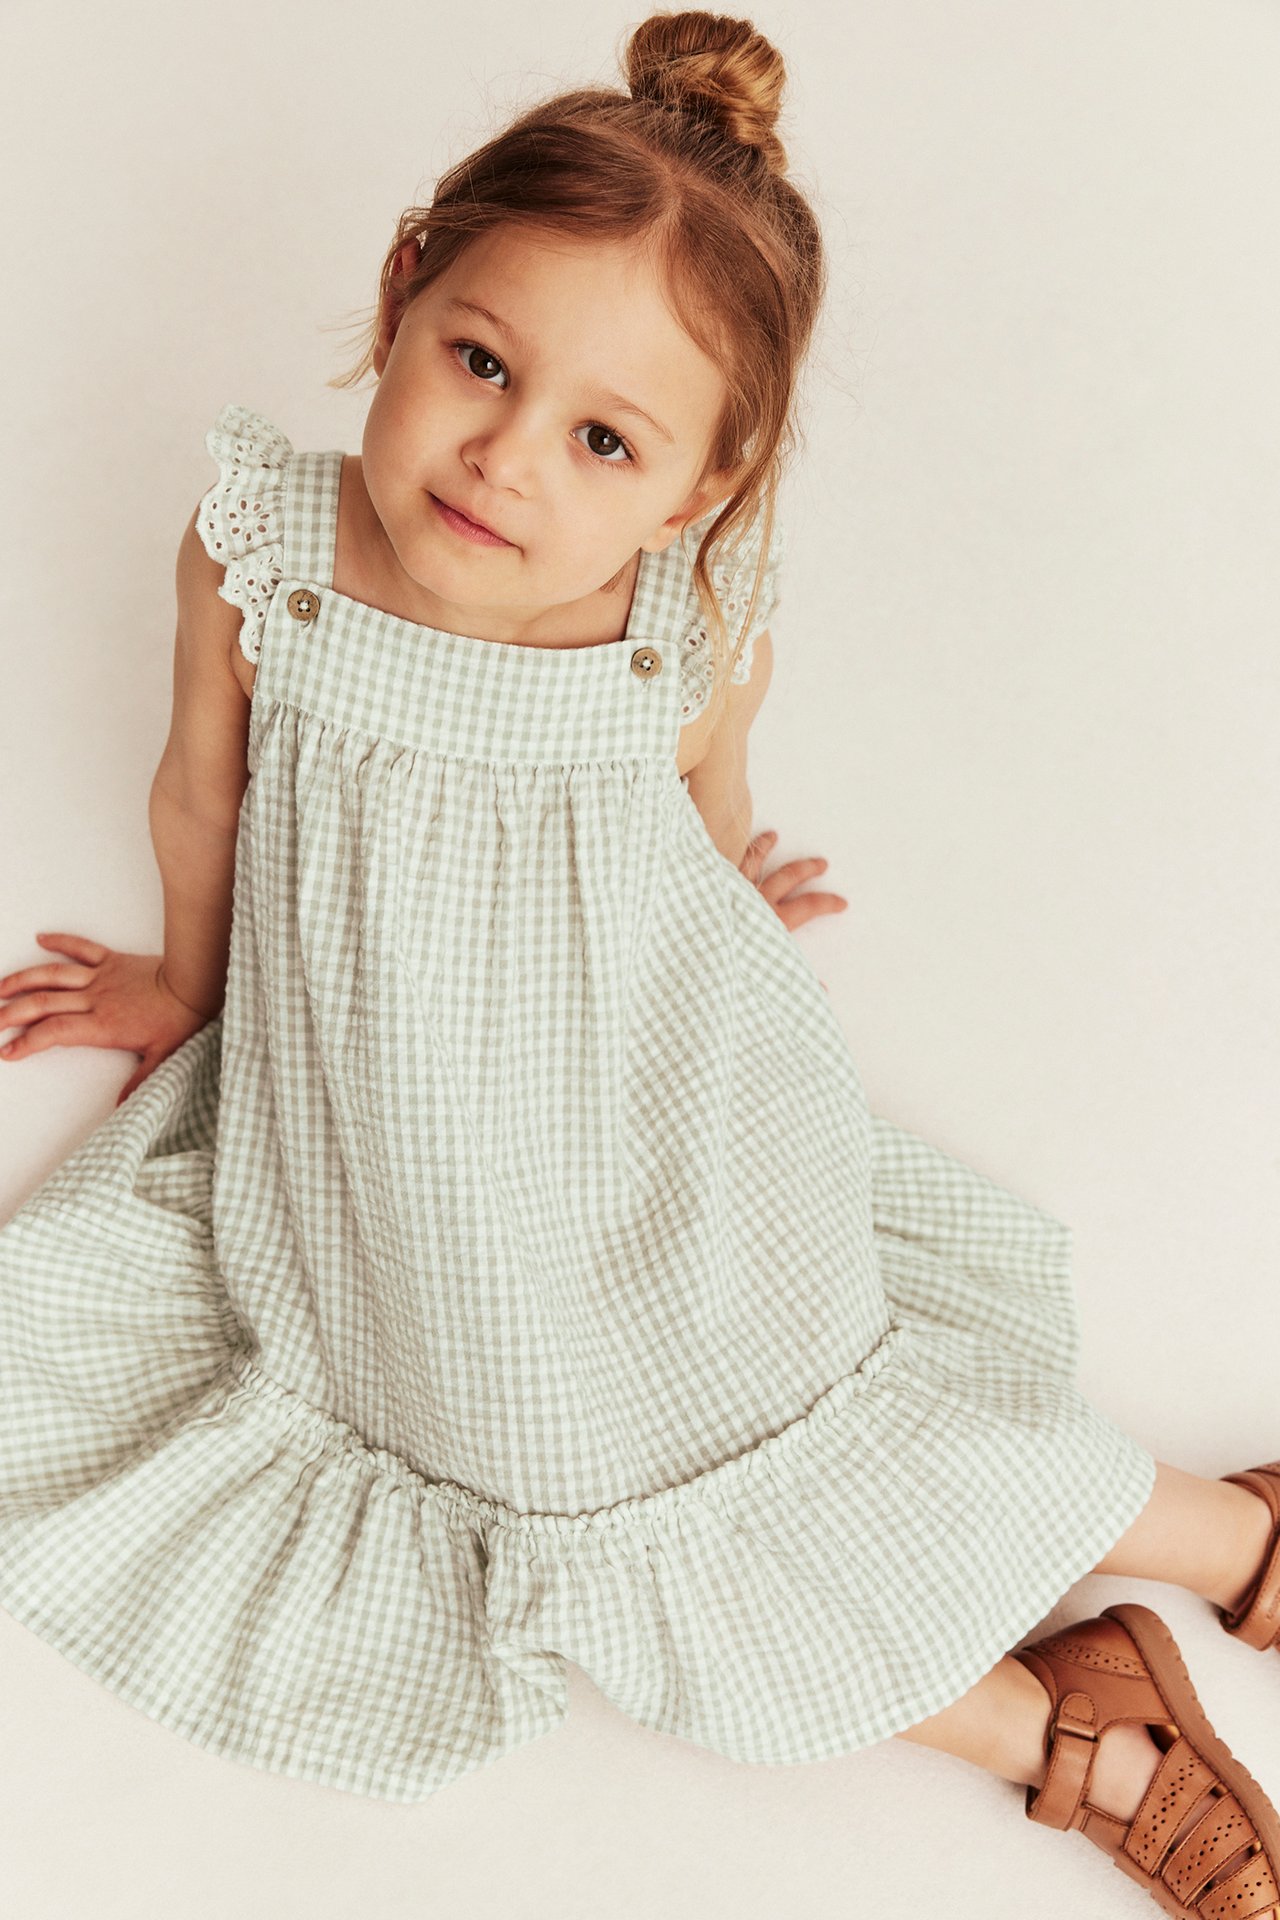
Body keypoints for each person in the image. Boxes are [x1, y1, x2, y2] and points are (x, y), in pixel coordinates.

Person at [0, 9, 1278, 1905]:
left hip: (632, 1072)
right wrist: (190, 994)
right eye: (479, 365)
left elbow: (698, 814)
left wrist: (721, 918)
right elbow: (204, 792)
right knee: (552, 1466)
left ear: (692, 488)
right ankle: (1069, 1714)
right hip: (388, 1125)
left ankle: (1196, 1552)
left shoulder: (673, 631)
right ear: (406, 282)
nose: (507, 460)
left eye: (602, 439)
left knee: (772, 1379)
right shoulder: (264, 553)